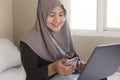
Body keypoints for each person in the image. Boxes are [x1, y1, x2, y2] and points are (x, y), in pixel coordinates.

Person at [20, 0, 107, 80]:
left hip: (69, 77)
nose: (57, 20)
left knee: (101, 77)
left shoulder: (64, 35)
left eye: (61, 15)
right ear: (42, 15)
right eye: (52, 15)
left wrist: (79, 65)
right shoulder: (28, 43)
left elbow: (73, 57)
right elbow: (31, 77)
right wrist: (53, 68)